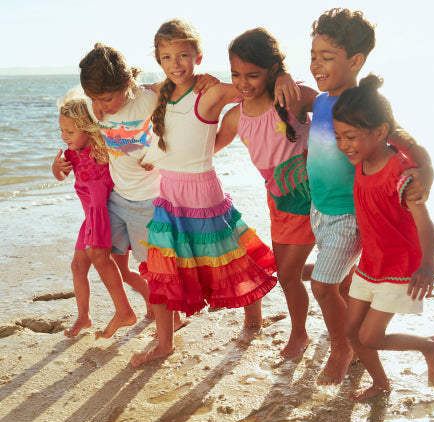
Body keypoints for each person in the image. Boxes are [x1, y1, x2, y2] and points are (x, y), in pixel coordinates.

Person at [131, 18, 299, 367]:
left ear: (198, 56)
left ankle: (253, 315)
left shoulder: (213, 91)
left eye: (183, 55)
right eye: (166, 57)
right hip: (168, 192)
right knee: (163, 266)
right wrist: (152, 156)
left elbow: (255, 87)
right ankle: (165, 343)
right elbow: (127, 101)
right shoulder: (160, 91)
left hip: (202, 192)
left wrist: (284, 75)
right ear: (159, 60)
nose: (175, 64)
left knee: (228, 255)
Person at [307, 8, 434, 386]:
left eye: (326, 57)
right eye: (313, 56)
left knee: (323, 286)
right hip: (320, 209)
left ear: (355, 61)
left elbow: (405, 141)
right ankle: (357, 342)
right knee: (345, 286)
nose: (316, 64)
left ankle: (342, 348)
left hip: (349, 216)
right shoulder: (320, 102)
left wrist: (426, 171)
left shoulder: (362, 107)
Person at [78, 43, 218, 336]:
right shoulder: (95, 107)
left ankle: (172, 317)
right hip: (117, 197)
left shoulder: (149, 98)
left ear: (127, 85)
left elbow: (182, 108)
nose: (102, 106)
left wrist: (156, 153)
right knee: (97, 253)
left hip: (150, 200)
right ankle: (124, 311)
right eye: (94, 99)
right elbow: (80, 124)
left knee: (155, 268)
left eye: (107, 98)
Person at [332, 74, 434, 401]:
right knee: (351, 330)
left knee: (370, 336)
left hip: (400, 268)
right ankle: (381, 383)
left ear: (381, 132)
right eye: (339, 137)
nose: (343, 145)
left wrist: (427, 265)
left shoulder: (402, 175)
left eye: (350, 136)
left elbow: (425, 226)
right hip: (371, 264)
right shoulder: (362, 160)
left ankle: (429, 345)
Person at [215, 27, 318, 358]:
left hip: (310, 197)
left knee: (287, 275)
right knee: (287, 271)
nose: (243, 83)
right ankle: (340, 274)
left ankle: (300, 335)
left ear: (272, 69)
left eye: (252, 75)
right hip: (277, 201)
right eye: (236, 75)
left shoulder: (291, 98)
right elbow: (206, 148)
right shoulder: (236, 116)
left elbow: (341, 110)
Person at [52, 98, 137, 338]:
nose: (64, 136)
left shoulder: (102, 150)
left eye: (70, 131)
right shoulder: (72, 153)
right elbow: (61, 176)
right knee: (77, 266)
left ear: (88, 128)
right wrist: (56, 168)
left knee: (102, 260)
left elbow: (130, 152)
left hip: (102, 214)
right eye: (61, 130)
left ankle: (124, 311)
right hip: (88, 218)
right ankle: (84, 317)